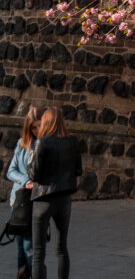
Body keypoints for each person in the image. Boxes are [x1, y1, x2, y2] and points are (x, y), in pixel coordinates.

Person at [29, 107, 82, 279]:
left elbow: (34, 174)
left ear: (46, 122)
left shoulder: (41, 143)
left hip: (44, 199)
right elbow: (78, 170)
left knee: (38, 252)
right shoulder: (72, 142)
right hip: (64, 198)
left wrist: (31, 157)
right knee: (61, 248)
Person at [7, 105, 42, 279]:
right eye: (33, 127)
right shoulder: (22, 144)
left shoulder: (46, 145)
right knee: (20, 246)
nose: (36, 130)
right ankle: (23, 275)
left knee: (30, 246)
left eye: (39, 126)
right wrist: (26, 180)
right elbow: (10, 171)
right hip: (19, 202)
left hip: (36, 202)